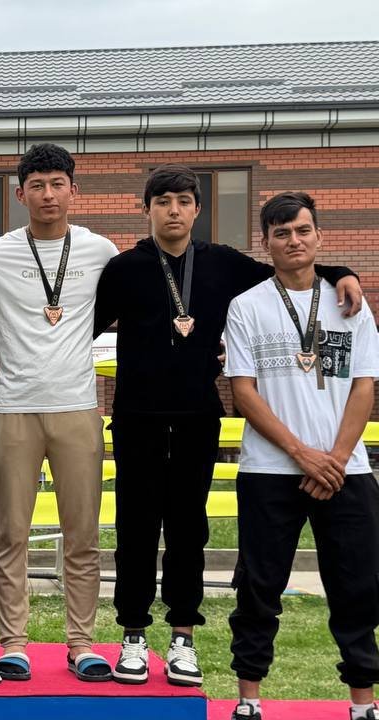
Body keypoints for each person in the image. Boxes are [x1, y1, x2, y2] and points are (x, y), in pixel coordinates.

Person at [94, 165, 363, 687]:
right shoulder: (125, 269)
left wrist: (341, 271)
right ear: (146, 209)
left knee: (188, 528)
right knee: (135, 527)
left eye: (183, 201)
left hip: (198, 416)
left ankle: (183, 637)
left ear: (197, 209)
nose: (173, 210)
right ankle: (132, 634)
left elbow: (287, 270)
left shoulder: (222, 263)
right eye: (162, 201)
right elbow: (81, 330)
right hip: (136, 419)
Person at [223, 192, 378, 720]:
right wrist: (301, 454)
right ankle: (249, 699)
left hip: (347, 471)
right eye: (282, 233)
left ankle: (363, 703)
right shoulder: (247, 306)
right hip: (270, 470)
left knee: (358, 586)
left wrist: (334, 458)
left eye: (303, 230)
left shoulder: (350, 302)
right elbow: (243, 391)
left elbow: (363, 385)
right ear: (265, 242)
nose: (294, 241)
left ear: (319, 236)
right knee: (259, 587)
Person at [0, 143, 118, 682]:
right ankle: (13, 642)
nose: (48, 194)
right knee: (9, 534)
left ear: (73, 190)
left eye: (58, 183)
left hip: (77, 408)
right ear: (21, 194)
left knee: (82, 535)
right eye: (37, 185)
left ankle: (81, 643)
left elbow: (132, 305)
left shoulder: (101, 251)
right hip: (13, 408)